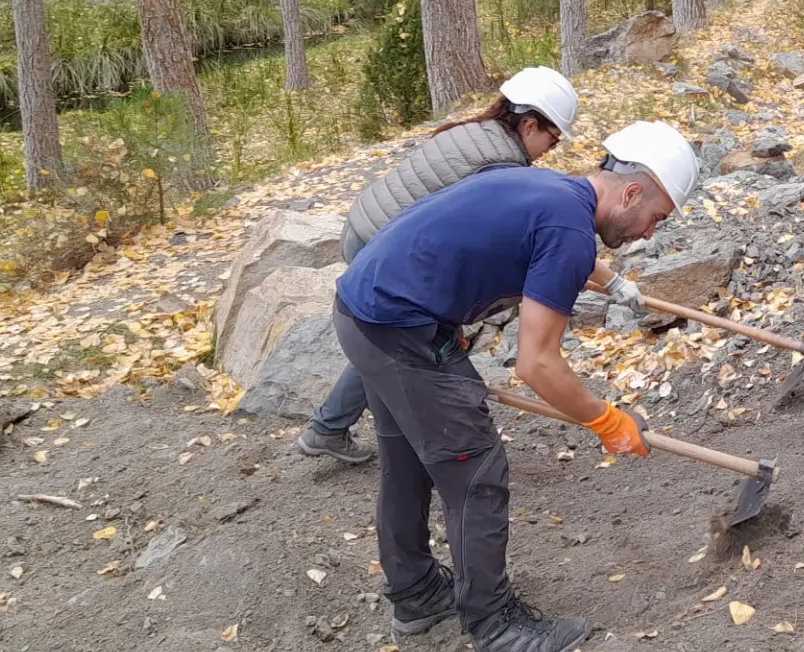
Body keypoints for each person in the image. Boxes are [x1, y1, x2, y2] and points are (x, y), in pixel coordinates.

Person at [333, 121, 697, 651]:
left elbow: (547, 246)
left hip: (364, 311)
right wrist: (606, 420)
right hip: (397, 328)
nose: (649, 233)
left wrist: (612, 282)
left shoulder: (551, 191)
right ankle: (495, 624)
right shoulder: (569, 229)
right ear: (633, 192)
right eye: (655, 218)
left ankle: (415, 595)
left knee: (409, 460)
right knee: (476, 467)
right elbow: (537, 364)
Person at [296, 67, 644, 464]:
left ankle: (355, 429)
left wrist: (610, 280)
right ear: (529, 124)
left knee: (390, 341)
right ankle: (339, 428)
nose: (552, 147)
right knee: (397, 337)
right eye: (553, 136)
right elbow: (550, 237)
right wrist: (609, 279)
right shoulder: (500, 163)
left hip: (365, 224)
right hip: (383, 244)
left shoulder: (478, 133)